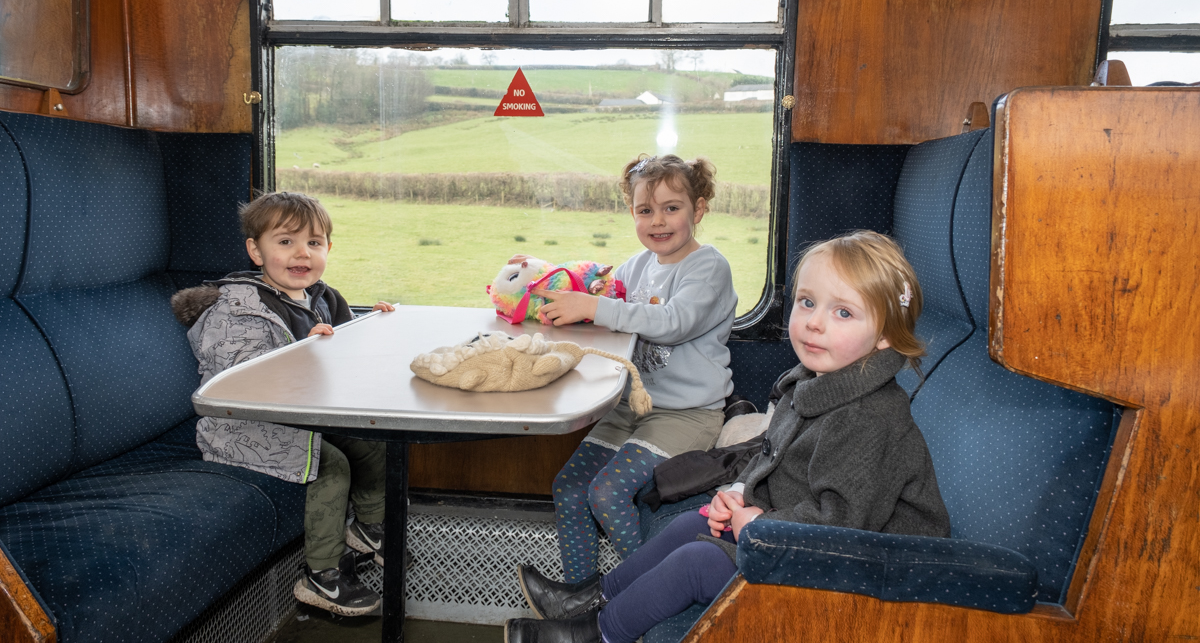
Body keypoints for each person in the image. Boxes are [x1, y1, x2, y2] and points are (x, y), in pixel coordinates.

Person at [506, 230, 951, 643]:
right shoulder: (814, 382)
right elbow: (773, 457)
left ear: (885, 337)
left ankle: (596, 634)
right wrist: (739, 492)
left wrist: (761, 525)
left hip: (868, 580)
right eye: (807, 302)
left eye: (843, 312)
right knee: (692, 523)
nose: (815, 322)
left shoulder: (870, 420)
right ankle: (591, 598)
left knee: (697, 563)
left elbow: (842, 525)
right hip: (803, 537)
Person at [170, 191, 396, 617]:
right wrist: (301, 353)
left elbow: (348, 351)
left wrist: (372, 326)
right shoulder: (235, 310)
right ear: (256, 251)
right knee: (331, 466)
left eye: (314, 242)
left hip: (303, 415)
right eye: (286, 241)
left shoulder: (323, 297)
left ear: (329, 248)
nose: (302, 253)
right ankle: (323, 574)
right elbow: (236, 380)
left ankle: (370, 527)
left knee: (374, 441)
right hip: (240, 426)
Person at [528, 154, 738, 585]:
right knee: (570, 489)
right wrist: (553, 288)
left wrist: (595, 307)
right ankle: (581, 596)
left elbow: (674, 323)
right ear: (633, 214)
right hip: (632, 409)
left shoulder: (708, 266)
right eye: (645, 210)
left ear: (698, 210)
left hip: (686, 414)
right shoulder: (636, 266)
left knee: (607, 493)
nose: (657, 221)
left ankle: (649, 590)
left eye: (671, 208)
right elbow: (602, 299)